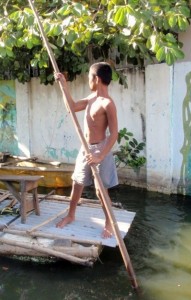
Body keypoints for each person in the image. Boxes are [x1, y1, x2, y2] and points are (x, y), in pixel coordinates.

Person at [55, 62, 118, 238]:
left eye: (89, 77)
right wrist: (64, 87)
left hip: (100, 150)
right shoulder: (91, 98)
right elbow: (72, 107)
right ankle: (71, 215)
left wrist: (101, 154)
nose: (88, 80)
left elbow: (114, 134)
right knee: (77, 183)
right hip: (85, 148)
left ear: (96, 79)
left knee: (100, 191)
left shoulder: (107, 103)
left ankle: (108, 223)